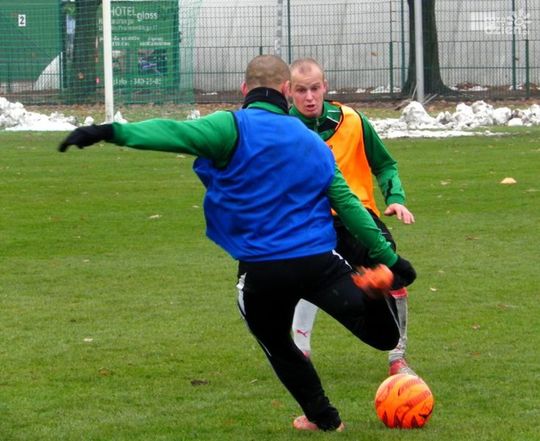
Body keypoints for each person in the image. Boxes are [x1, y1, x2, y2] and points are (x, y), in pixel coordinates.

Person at [58, 55, 416, 432]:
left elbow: (172, 132)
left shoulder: (229, 127)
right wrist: (391, 260)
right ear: (286, 91)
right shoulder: (313, 142)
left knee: (277, 342)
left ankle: (324, 419)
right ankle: (373, 295)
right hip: (318, 261)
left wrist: (107, 132)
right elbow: (350, 207)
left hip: (263, 270)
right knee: (383, 336)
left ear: (245, 89)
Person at [288, 57, 416, 376]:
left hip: (359, 220)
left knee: (390, 277)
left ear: (325, 86)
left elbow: (385, 164)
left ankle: (397, 356)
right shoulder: (283, 129)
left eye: (314, 88)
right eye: (301, 90)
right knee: (307, 279)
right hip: (311, 223)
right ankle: (301, 351)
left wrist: (395, 198)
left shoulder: (353, 121)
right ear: (289, 91)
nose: (309, 97)